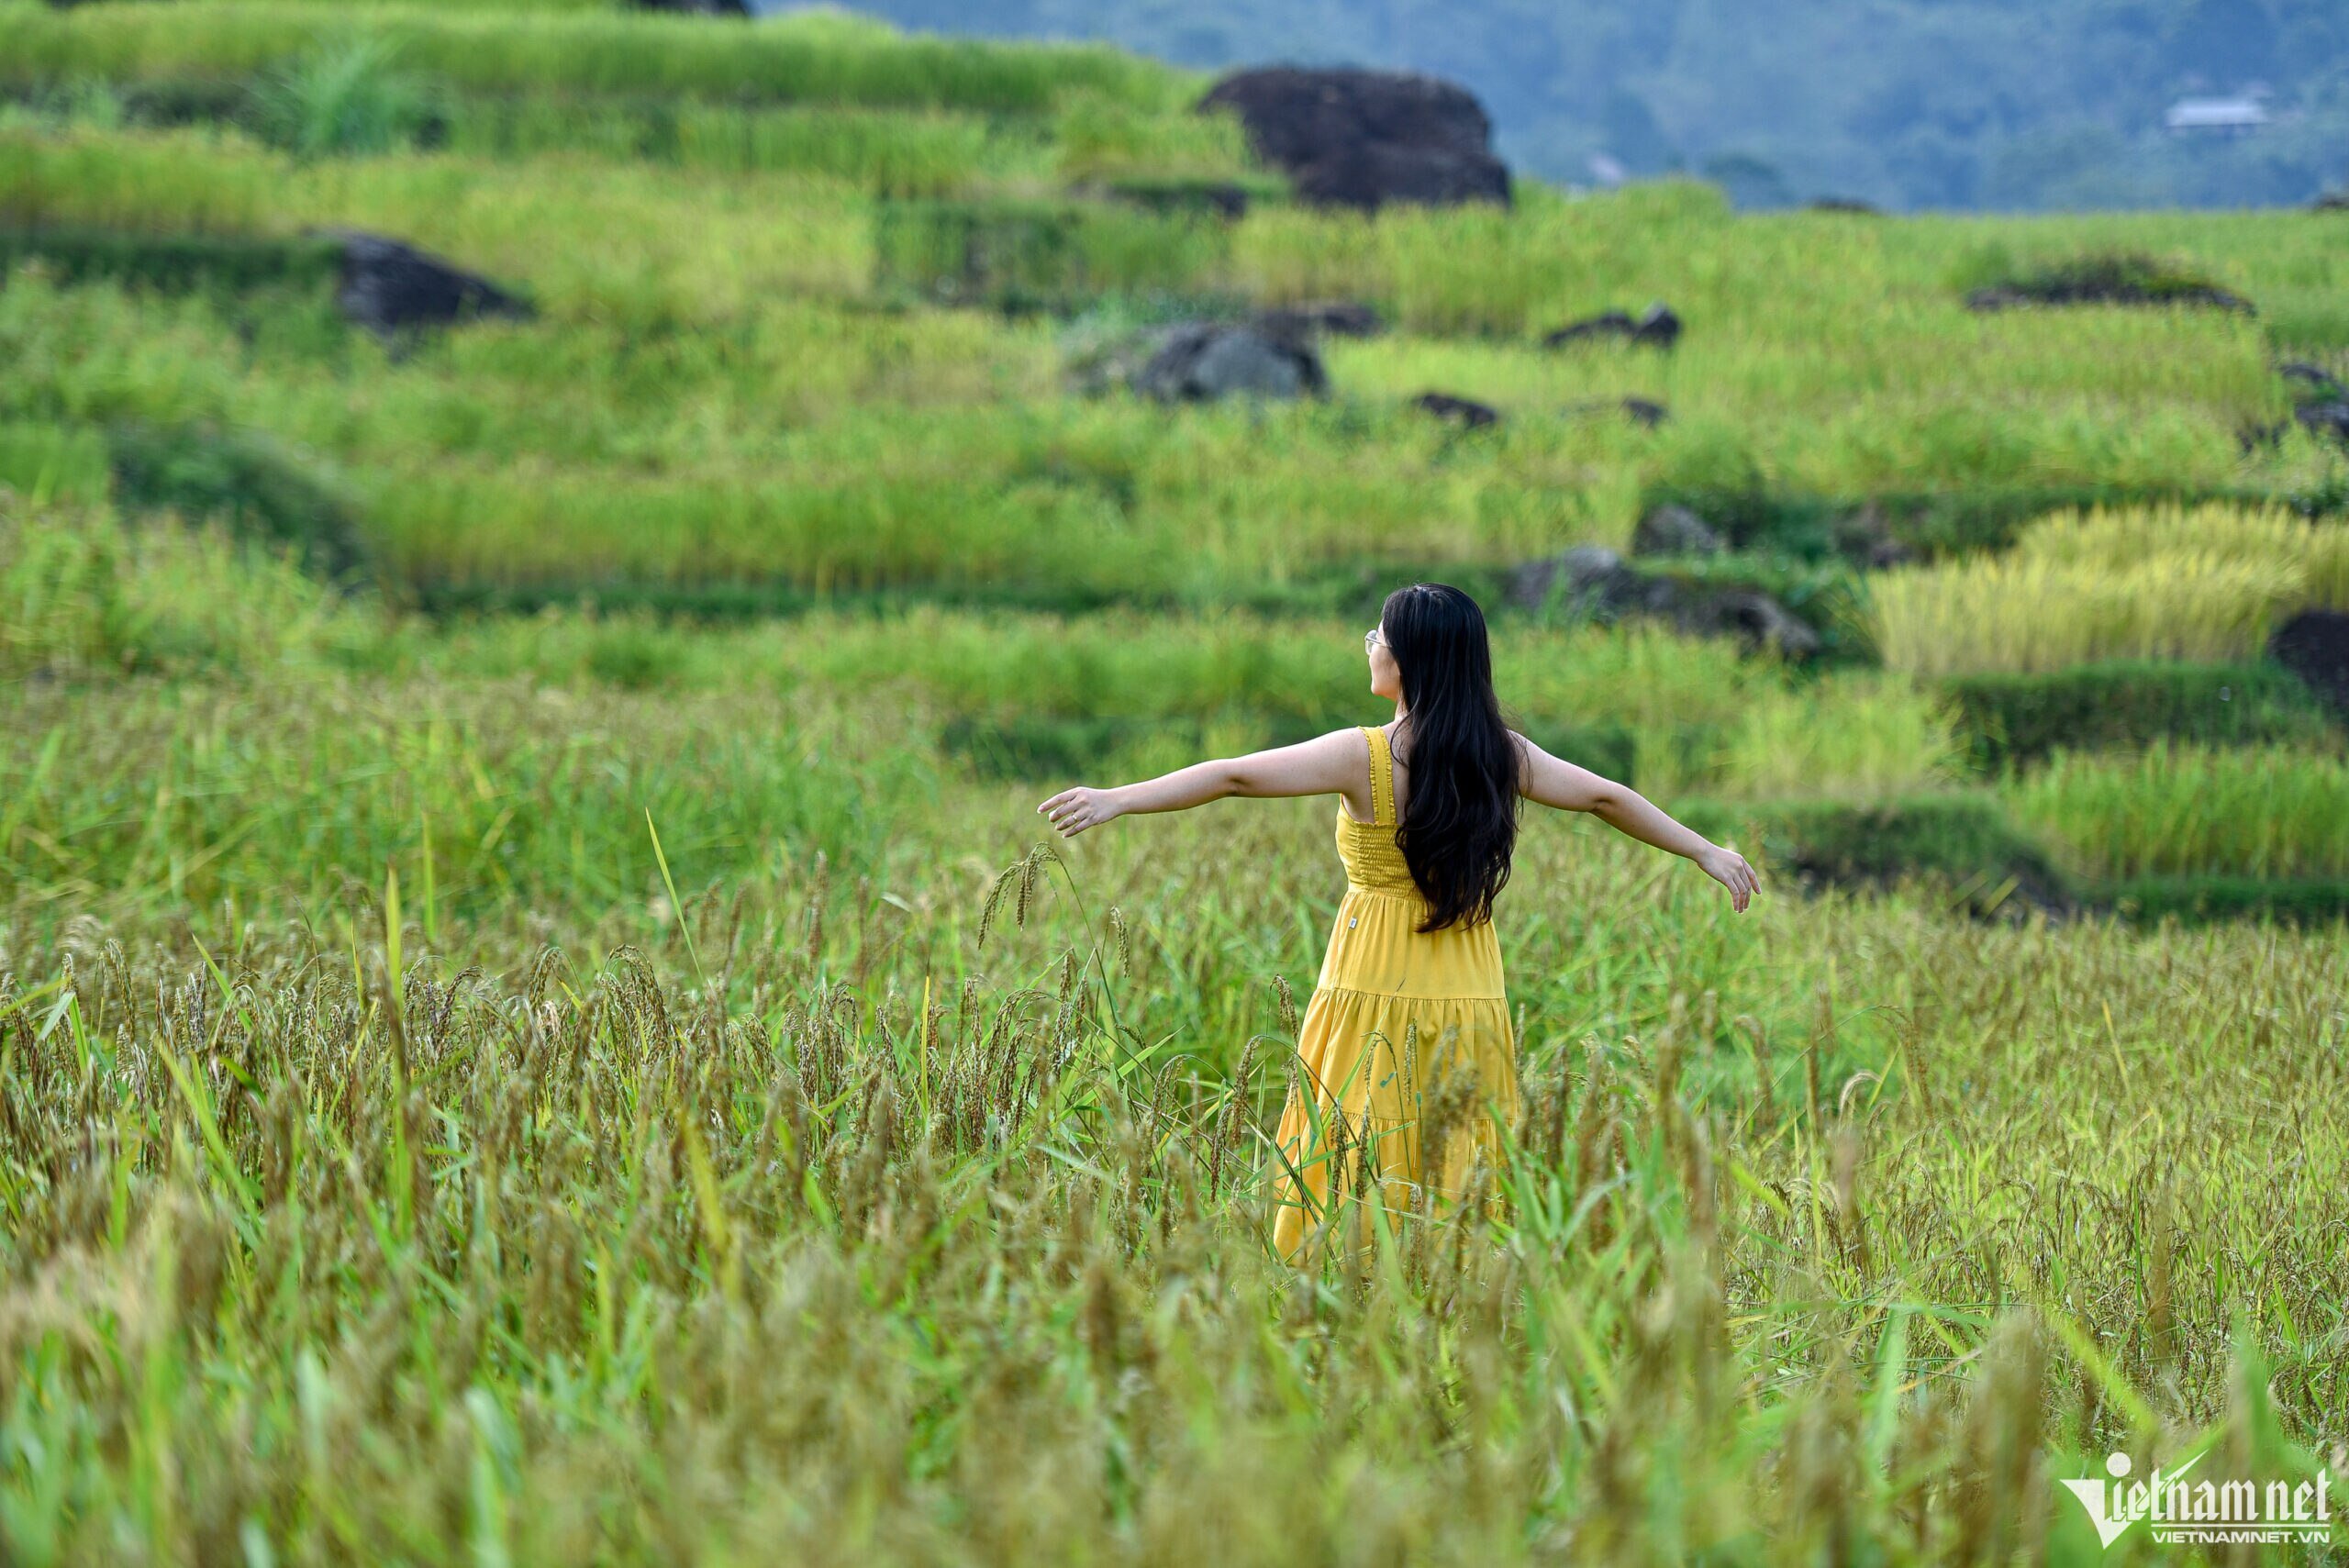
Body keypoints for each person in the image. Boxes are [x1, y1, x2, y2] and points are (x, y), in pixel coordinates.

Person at [1035, 583, 1760, 1261]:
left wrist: (1119, 796)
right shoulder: (1499, 755)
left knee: (1352, 1139)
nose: (1368, 643)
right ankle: (1456, 1281)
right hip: (1468, 980)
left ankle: (1337, 1278)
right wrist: (1704, 849)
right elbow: (1606, 797)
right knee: (1458, 1145)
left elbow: (1233, 774)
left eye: (1377, 635)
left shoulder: (1364, 755)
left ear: (1407, 659)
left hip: (1367, 976)